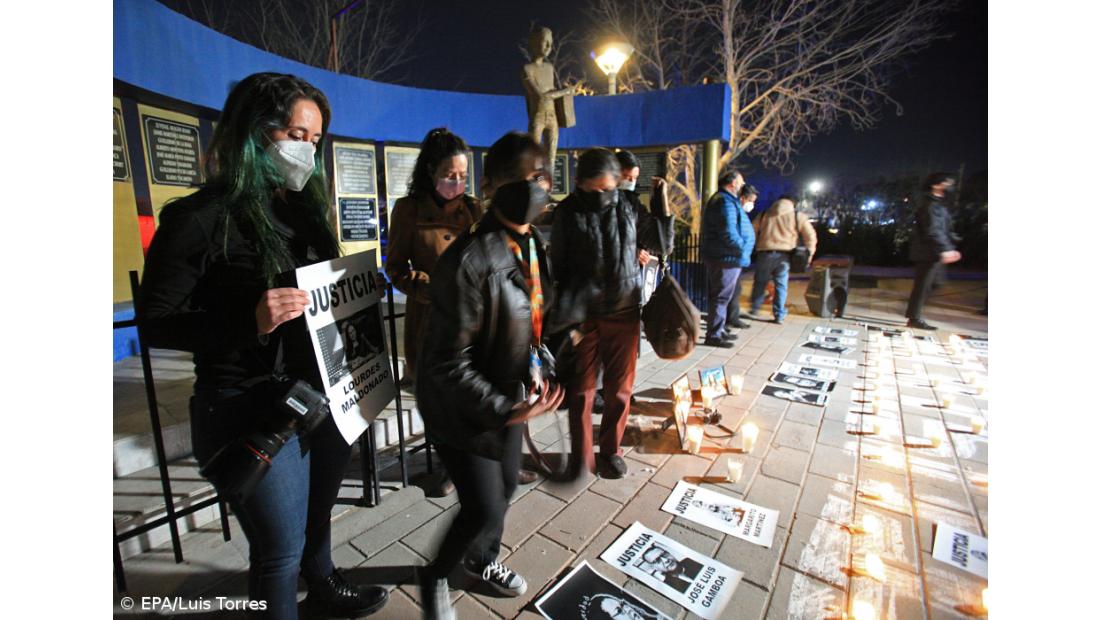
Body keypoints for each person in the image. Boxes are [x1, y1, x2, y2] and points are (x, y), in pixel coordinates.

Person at [138, 73, 388, 619]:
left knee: (316, 515)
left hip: (320, 397)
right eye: (295, 132)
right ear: (255, 132)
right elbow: (156, 323)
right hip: (247, 408)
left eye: (316, 139)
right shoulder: (199, 218)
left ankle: (321, 584)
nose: (306, 148)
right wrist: (248, 319)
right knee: (278, 550)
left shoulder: (304, 213)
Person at [416, 132, 566, 620]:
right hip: (462, 409)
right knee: (482, 506)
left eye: (539, 178)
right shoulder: (468, 260)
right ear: (490, 185)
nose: (531, 188)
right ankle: (436, 574)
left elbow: (533, 320)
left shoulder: (531, 245)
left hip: (508, 400)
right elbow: (444, 363)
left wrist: (543, 366)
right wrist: (505, 408)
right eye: (516, 179)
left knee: (504, 492)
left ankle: (481, 560)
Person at [549, 148, 673, 480]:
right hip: (585, 316)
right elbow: (557, 265)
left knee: (620, 388)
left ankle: (611, 451)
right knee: (582, 389)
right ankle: (582, 452)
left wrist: (661, 202)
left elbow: (663, 243)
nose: (603, 196)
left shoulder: (629, 206)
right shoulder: (568, 211)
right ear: (580, 183)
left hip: (625, 311)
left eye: (609, 188)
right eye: (595, 189)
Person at [384, 127, 484, 496]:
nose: (456, 183)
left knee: (472, 395)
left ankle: (481, 462)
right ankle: (449, 466)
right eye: (449, 176)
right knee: (440, 399)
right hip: (430, 319)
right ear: (430, 172)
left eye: (462, 176)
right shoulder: (408, 210)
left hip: (474, 319)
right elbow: (394, 268)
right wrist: (431, 288)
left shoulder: (473, 209)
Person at [700, 168, 754, 347]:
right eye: (741, 182)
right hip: (726, 257)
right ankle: (714, 335)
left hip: (727, 256)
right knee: (721, 297)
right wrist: (742, 249)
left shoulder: (727, 201)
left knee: (721, 296)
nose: (743, 185)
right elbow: (728, 232)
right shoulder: (724, 202)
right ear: (733, 183)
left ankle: (719, 330)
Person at [747, 196, 817, 324]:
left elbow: (751, 232)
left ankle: (754, 308)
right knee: (781, 285)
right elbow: (810, 236)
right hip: (785, 255)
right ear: (793, 203)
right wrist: (809, 254)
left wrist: (753, 247)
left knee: (760, 282)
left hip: (764, 253)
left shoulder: (764, 214)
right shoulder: (797, 216)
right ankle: (779, 314)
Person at [905, 172, 962, 330]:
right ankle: (914, 317)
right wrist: (946, 249)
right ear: (936, 185)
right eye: (947, 183)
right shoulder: (930, 205)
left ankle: (914, 311)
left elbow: (944, 228)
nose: (950, 186)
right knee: (924, 285)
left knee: (935, 284)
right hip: (928, 252)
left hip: (934, 252)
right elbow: (933, 230)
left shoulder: (938, 204)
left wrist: (951, 245)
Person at [725, 184, 759, 334]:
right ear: (743, 198)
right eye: (751, 200)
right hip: (731, 257)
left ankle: (731, 318)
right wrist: (741, 247)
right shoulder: (732, 209)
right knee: (726, 292)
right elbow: (731, 233)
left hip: (737, 257)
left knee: (735, 290)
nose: (752, 204)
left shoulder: (738, 210)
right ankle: (721, 325)